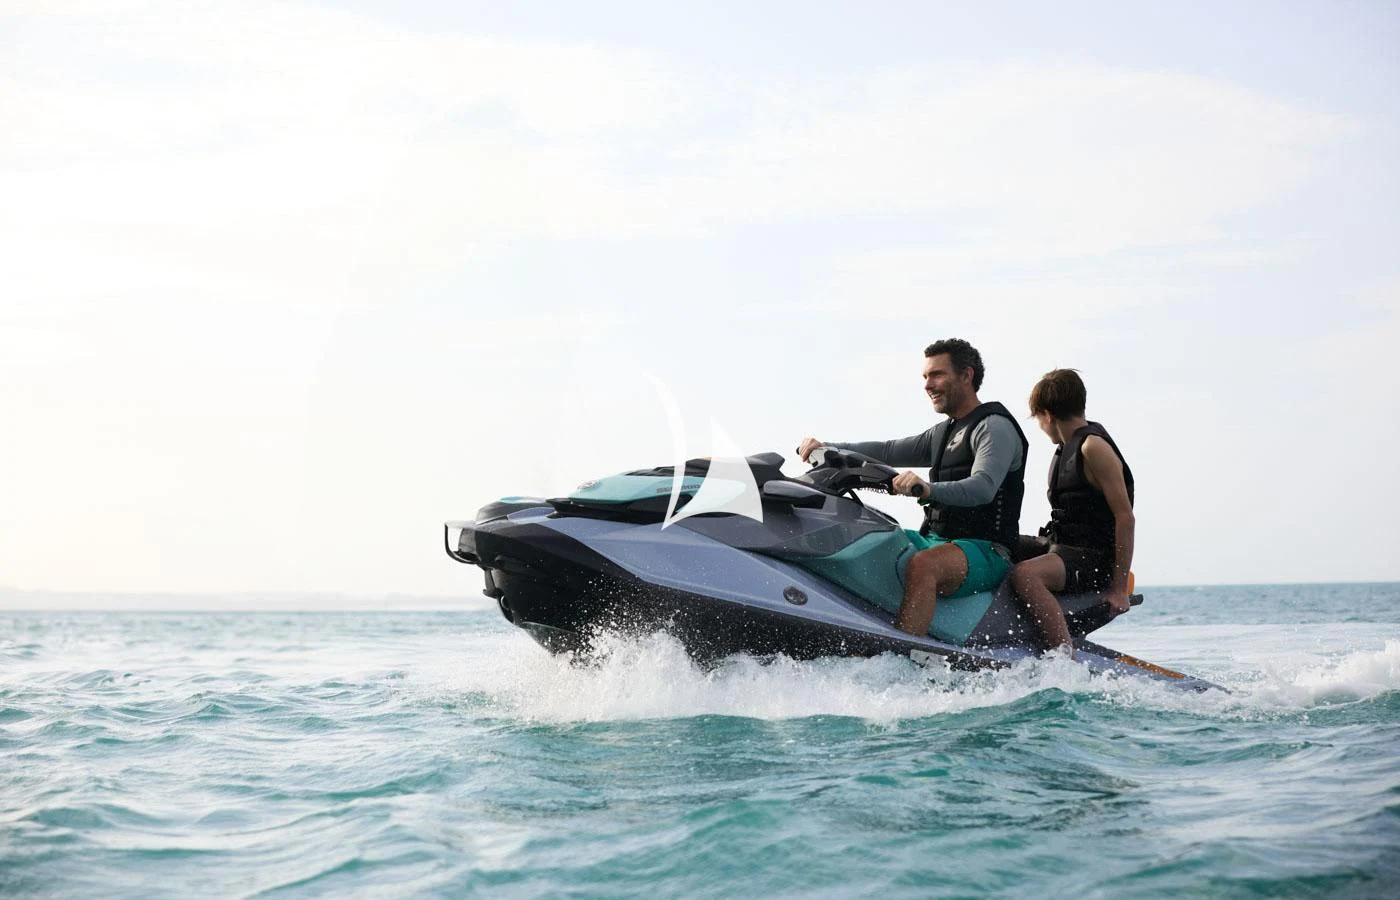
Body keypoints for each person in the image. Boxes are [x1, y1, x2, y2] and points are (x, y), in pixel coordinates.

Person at [797, 338, 1028, 637]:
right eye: (925, 377)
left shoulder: (993, 426)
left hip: (987, 551)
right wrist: (827, 448)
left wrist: (928, 489)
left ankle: (905, 653)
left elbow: (983, 487)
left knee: (924, 565)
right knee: (867, 539)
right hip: (938, 540)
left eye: (937, 375)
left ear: (966, 375)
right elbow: (888, 450)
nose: (928, 385)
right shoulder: (944, 432)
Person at [1010, 368, 1136, 655]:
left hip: (1094, 560)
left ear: (1047, 415)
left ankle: (1063, 658)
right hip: (1064, 547)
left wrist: (1119, 589)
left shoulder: (1093, 447)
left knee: (1026, 575)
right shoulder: (1066, 447)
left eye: (1037, 418)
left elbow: (1125, 518)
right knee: (1001, 542)